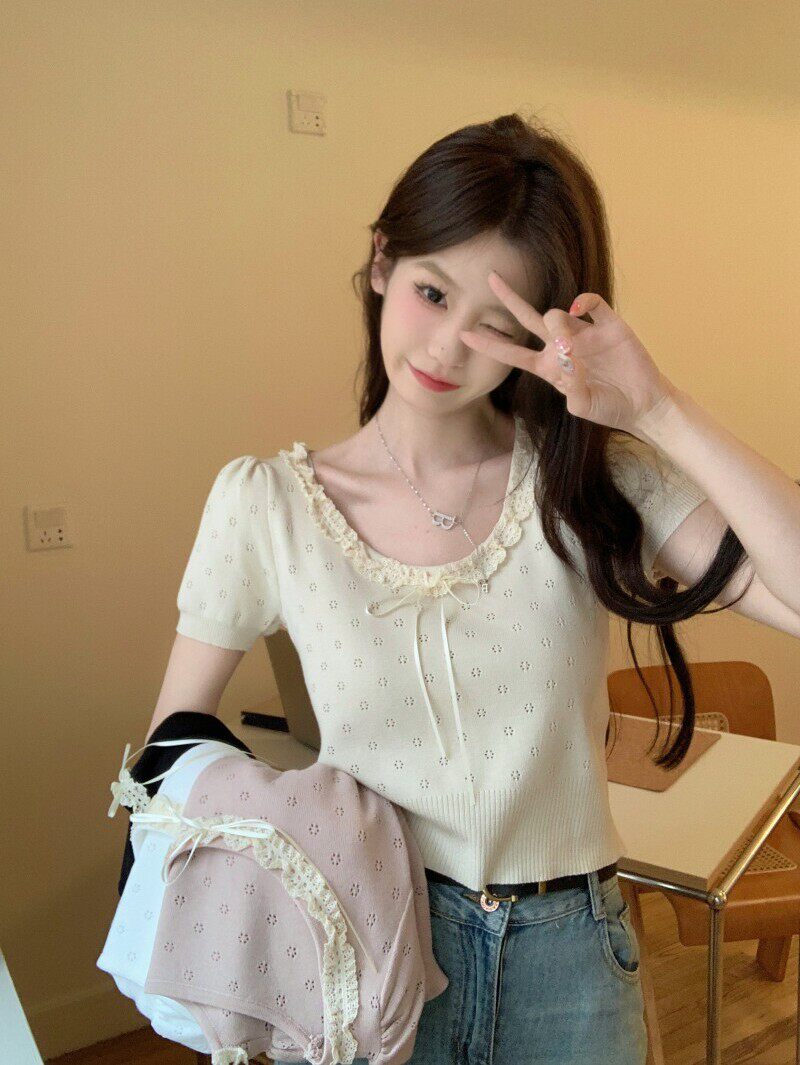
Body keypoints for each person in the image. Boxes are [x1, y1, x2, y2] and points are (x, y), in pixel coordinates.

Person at [145, 112, 765, 1064]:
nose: (446, 347)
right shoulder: (267, 504)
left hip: (570, 955)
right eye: (432, 292)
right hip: (373, 945)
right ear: (382, 262)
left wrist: (657, 408)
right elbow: (170, 755)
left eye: (496, 325)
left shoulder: (585, 480)